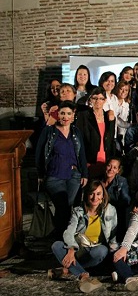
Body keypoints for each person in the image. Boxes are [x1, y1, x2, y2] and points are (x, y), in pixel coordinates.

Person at [49, 181, 117, 293]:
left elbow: (113, 236)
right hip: (79, 249)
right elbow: (69, 232)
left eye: (98, 194)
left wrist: (115, 255)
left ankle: (68, 270)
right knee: (56, 245)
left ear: (103, 196)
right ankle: (84, 276)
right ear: (87, 195)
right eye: (92, 193)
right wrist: (71, 250)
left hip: (95, 251)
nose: (95, 197)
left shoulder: (111, 210)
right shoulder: (78, 210)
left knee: (101, 250)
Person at [35, 101, 88, 238]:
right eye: (62, 113)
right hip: (54, 176)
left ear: (73, 115)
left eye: (68, 113)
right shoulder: (49, 131)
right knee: (62, 206)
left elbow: (81, 154)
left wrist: (84, 174)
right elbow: (39, 152)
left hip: (73, 176)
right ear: (58, 115)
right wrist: (40, 173)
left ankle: (62, 237)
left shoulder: (76, 132)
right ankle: (62, 237)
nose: (65, 116)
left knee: (67, 208)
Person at [75, 87, 116, 179]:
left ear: (105, 100)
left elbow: (111, 138)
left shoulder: (109, 116)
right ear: (90, 100)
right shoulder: (83, 115)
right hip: (89, 159)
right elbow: (79, 138)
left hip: (105, 160)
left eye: (101, 98)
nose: (98, 101)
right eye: (95, 98)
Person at [101, 157, 131, 241]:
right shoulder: (98, 181)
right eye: (109, 166)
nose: (111, 169)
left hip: (116, 213)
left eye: (114, 168)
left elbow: (126, 200)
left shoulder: (122, 181)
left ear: (118, 170)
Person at [114, 80, 132, 152]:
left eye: (126, 90)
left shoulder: (127, 105)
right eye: (121, 89)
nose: (124, 92)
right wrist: (129, 125)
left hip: (121, 133)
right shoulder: (112, 100)